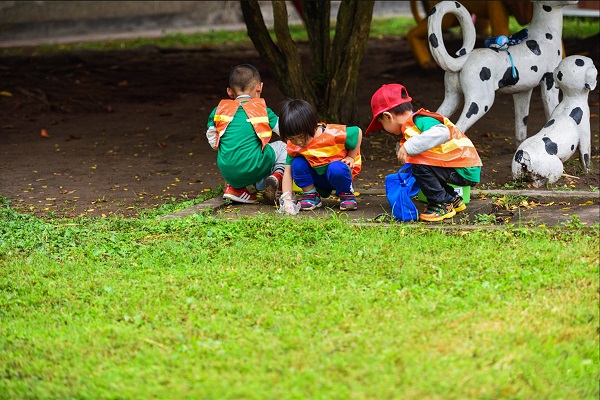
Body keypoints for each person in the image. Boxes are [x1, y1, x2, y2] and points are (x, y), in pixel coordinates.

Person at [365, 83, 482, 222]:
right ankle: (453, 199)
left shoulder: (420, 120)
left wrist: (409, 147)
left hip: (464, 168)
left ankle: (442, 204)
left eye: (381, 123)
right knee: (418, 164)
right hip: (461, 167)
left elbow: (442, 132)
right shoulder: (412, 126)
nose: (383, 128)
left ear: (388, 116)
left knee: (418, 166)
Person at [205, 64, 287, 204]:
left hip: (227, 168)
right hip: (253, 165)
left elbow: (212, 137)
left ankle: (236, 188)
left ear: (230, 92)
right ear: (259, 87)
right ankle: (277, 176)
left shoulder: (218, 110)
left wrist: (218, 147)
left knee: (248, 152)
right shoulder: (262, 109)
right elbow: (285, 131)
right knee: (281, 146)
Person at [278, 99, 362, 212]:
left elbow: (358, 132)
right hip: (316, 177)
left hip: (337, 174)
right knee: (297, 164)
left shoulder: (333, 134)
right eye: (292, 139)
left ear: (312, 127)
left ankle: (346, 193)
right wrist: (287, 199)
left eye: (302, 137)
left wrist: (350, 157)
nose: (298, 142)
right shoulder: (294, 146)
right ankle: (311, 195)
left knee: (336, 168)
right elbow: (287, 172)